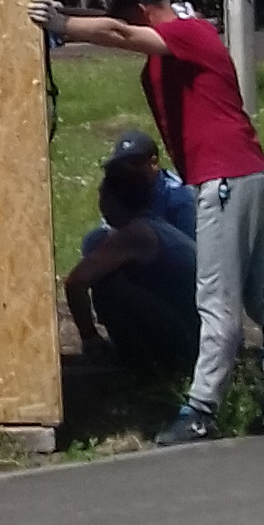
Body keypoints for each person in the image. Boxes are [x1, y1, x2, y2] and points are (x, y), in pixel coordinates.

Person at [30, 0, 264, 443]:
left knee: (216, 300)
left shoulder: (187, 33)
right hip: (246, 170)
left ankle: (202, 409)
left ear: (141, 10)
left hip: (224, 177)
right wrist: (67, 15)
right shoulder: (171, 38)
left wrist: (62, 25)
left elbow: (119, 32)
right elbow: (114, 24)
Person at [63, 135, 200, 375]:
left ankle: (144, 365)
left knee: (107, 286)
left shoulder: (138, 234)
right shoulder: (150, 224)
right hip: (194, 330)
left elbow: (76, 282)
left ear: (111, 200)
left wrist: (89, 337)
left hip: (189, 341)